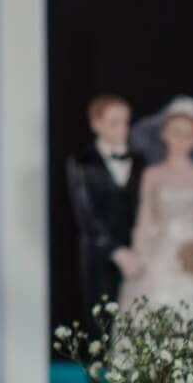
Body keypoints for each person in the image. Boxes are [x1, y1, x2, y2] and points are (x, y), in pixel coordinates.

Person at [114, 96, 193, 322]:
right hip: (158, 247)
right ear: (164, 134)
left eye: (188, 135)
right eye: (176, 132)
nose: (181, 140)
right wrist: (139, 252)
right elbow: (145, 216)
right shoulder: (152, 174)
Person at [65, 94, 143, 313]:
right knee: (101, 317)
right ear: (96, 124)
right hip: (98, 254)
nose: (122, 129)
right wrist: (117, 251)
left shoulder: (140, 161)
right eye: (114, 122)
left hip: (138, 251)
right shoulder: (82, 161)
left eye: (125, 122)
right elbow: (85, 214)